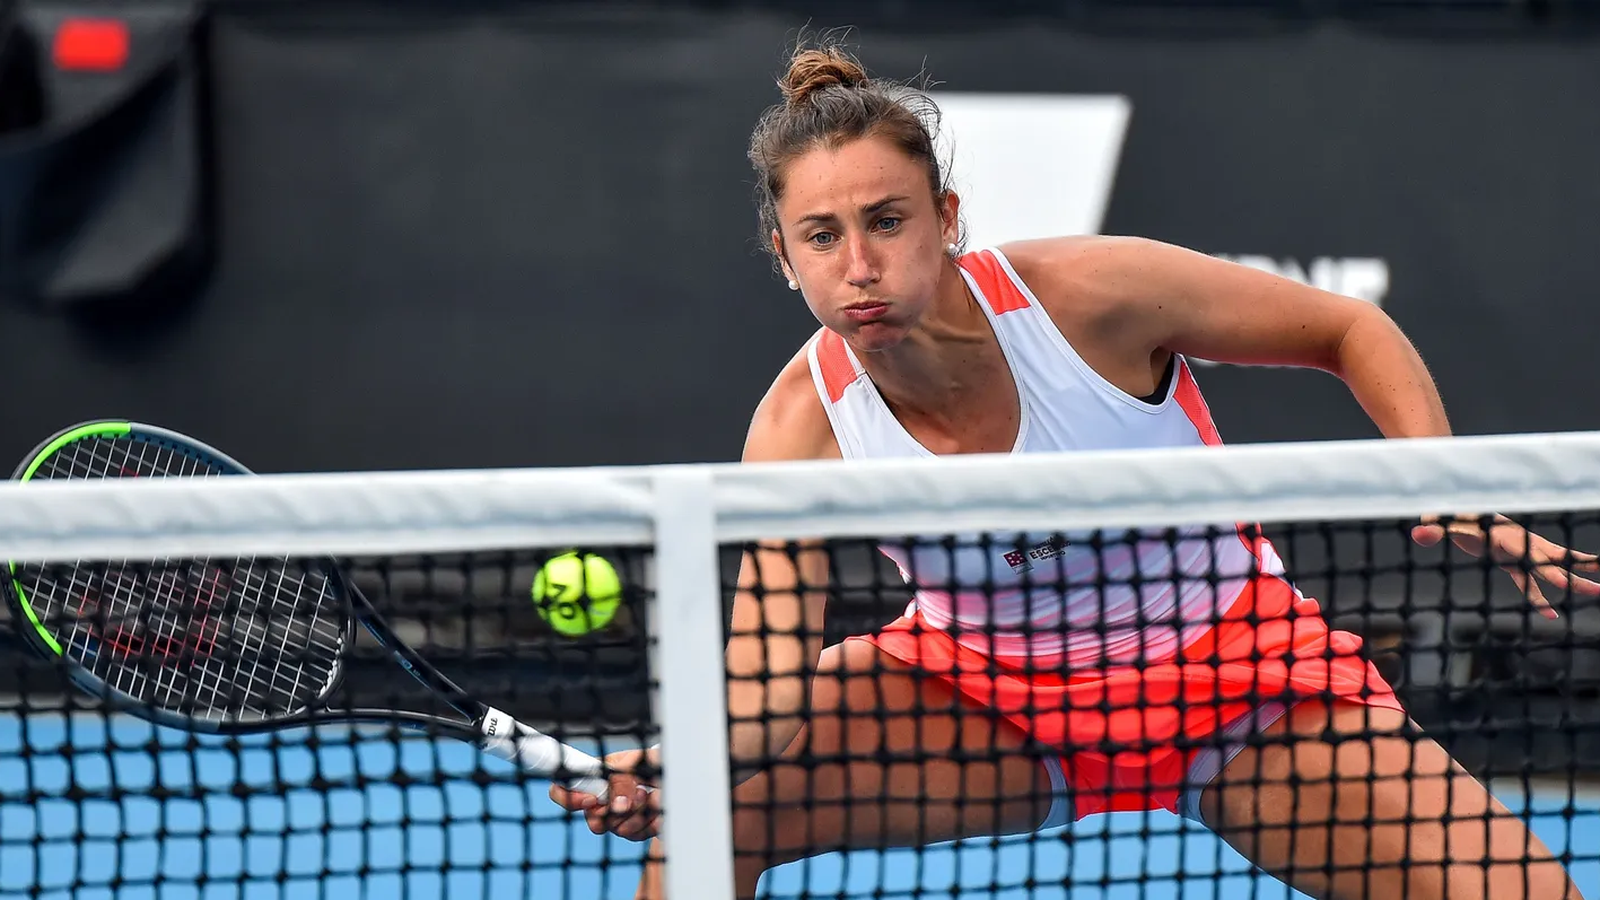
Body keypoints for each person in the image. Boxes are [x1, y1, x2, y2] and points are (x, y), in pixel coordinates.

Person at [552, 38, 1596, 900]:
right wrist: (683, 761)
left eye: (886, 221)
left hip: (1241, 681)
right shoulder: (799, 425)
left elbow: (1347, 328)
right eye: (821, 237)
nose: (858, 265)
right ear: (784, 256)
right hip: (982, 701)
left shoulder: (1090, 300)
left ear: (946, 220)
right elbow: (765, 689)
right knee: (706, 824)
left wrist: (1445, 484)